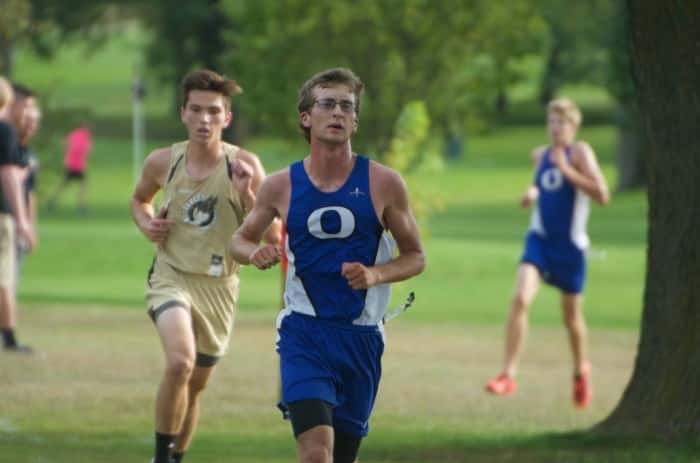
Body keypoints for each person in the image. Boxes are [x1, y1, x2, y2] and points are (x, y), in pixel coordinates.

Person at [231, 68, 426, 463]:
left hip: (361, 338)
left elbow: (415, 256)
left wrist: (375, 274)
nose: (337, 112)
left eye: (346, 106)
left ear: (355, 120)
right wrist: (254, 254)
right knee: (316, 453)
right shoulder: (281, 185)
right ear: (307, 117)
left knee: (342, 456)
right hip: (304, 333)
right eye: (327, 104)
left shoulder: (384, 183)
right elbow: (239, 239)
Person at [130, 69, 280, 463]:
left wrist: (246, 193)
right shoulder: (163, 162)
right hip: (171, 276)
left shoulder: (246, 165)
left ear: (227, 117)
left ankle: (177, 457)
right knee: (180, 362)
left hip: (219, 287)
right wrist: (149, 224)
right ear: (183, 113)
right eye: (196, 110)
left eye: (214, 111)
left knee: (195, 387)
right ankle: (160, 459)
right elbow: (139, 201)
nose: (204, 119)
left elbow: (275, 236)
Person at [485, 98, 610, 409]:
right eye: (552, 122)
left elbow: (602, 195)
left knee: (571, 319)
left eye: (562, 122)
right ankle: (508, 374)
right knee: (520, 298)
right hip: (539, 240)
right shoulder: (540, 156)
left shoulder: (580, 153)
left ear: (574, 126)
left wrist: (568, 169)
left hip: (570, 247)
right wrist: (532, 192)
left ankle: (581, 370)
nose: (556, 128)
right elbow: (543, 186)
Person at [0, 77, 36, 354]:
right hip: (2, 216)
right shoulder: (5, 131)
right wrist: (23, 221)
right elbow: (10, 174)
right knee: (4, 278)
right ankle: (9, 339)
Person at [48, 122, 92, 213]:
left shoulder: (73, 134)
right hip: (78, 165)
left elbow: (65, 144)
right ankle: (81, 206)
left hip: (70, 164)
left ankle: (53, 200)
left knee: (64, 184)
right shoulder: (85, 137)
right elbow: (87, 150)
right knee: (82, 185)